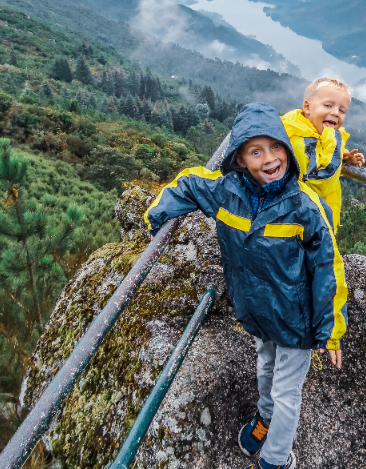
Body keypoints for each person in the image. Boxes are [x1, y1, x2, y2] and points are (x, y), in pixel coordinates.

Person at [144, 102, 348, 469]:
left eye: (276, 147)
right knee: (265, 367)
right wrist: (156, 215)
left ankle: (274, 460)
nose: (269, 158)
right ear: (239, 159)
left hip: (296, 319)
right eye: (256, 151)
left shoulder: (303, 205)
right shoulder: (226, 193)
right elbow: (189, 183)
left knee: (288, 391)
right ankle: (264, 418)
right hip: (256, 309)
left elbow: (327, 266)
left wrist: (330, 330)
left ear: (287, 149)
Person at [281, 77, 364, 231]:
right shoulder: (299, 140)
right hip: (298, 223)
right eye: (328, 105)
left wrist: (344, 156)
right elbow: (319, 183)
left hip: (305, 217)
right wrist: (335, 146)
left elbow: (318, 154)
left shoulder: (308, 131)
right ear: (307, 107)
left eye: (342, 110)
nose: (335, 113)